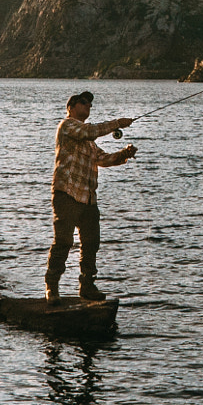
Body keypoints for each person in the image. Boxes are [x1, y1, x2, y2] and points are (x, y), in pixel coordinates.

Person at [46, 90, 137, 302]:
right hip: (66, 194)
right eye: (83, 102)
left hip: (88, 199)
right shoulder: (67, 126)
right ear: (71, 107)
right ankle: (52, 288)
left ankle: (86, 287)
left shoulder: (88, 140)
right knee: (63, 242)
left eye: (90, 104)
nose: (88, 106)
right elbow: (90, 131)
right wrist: (117, 123)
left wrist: (124, 154)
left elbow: (103, 159)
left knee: (91, 243)